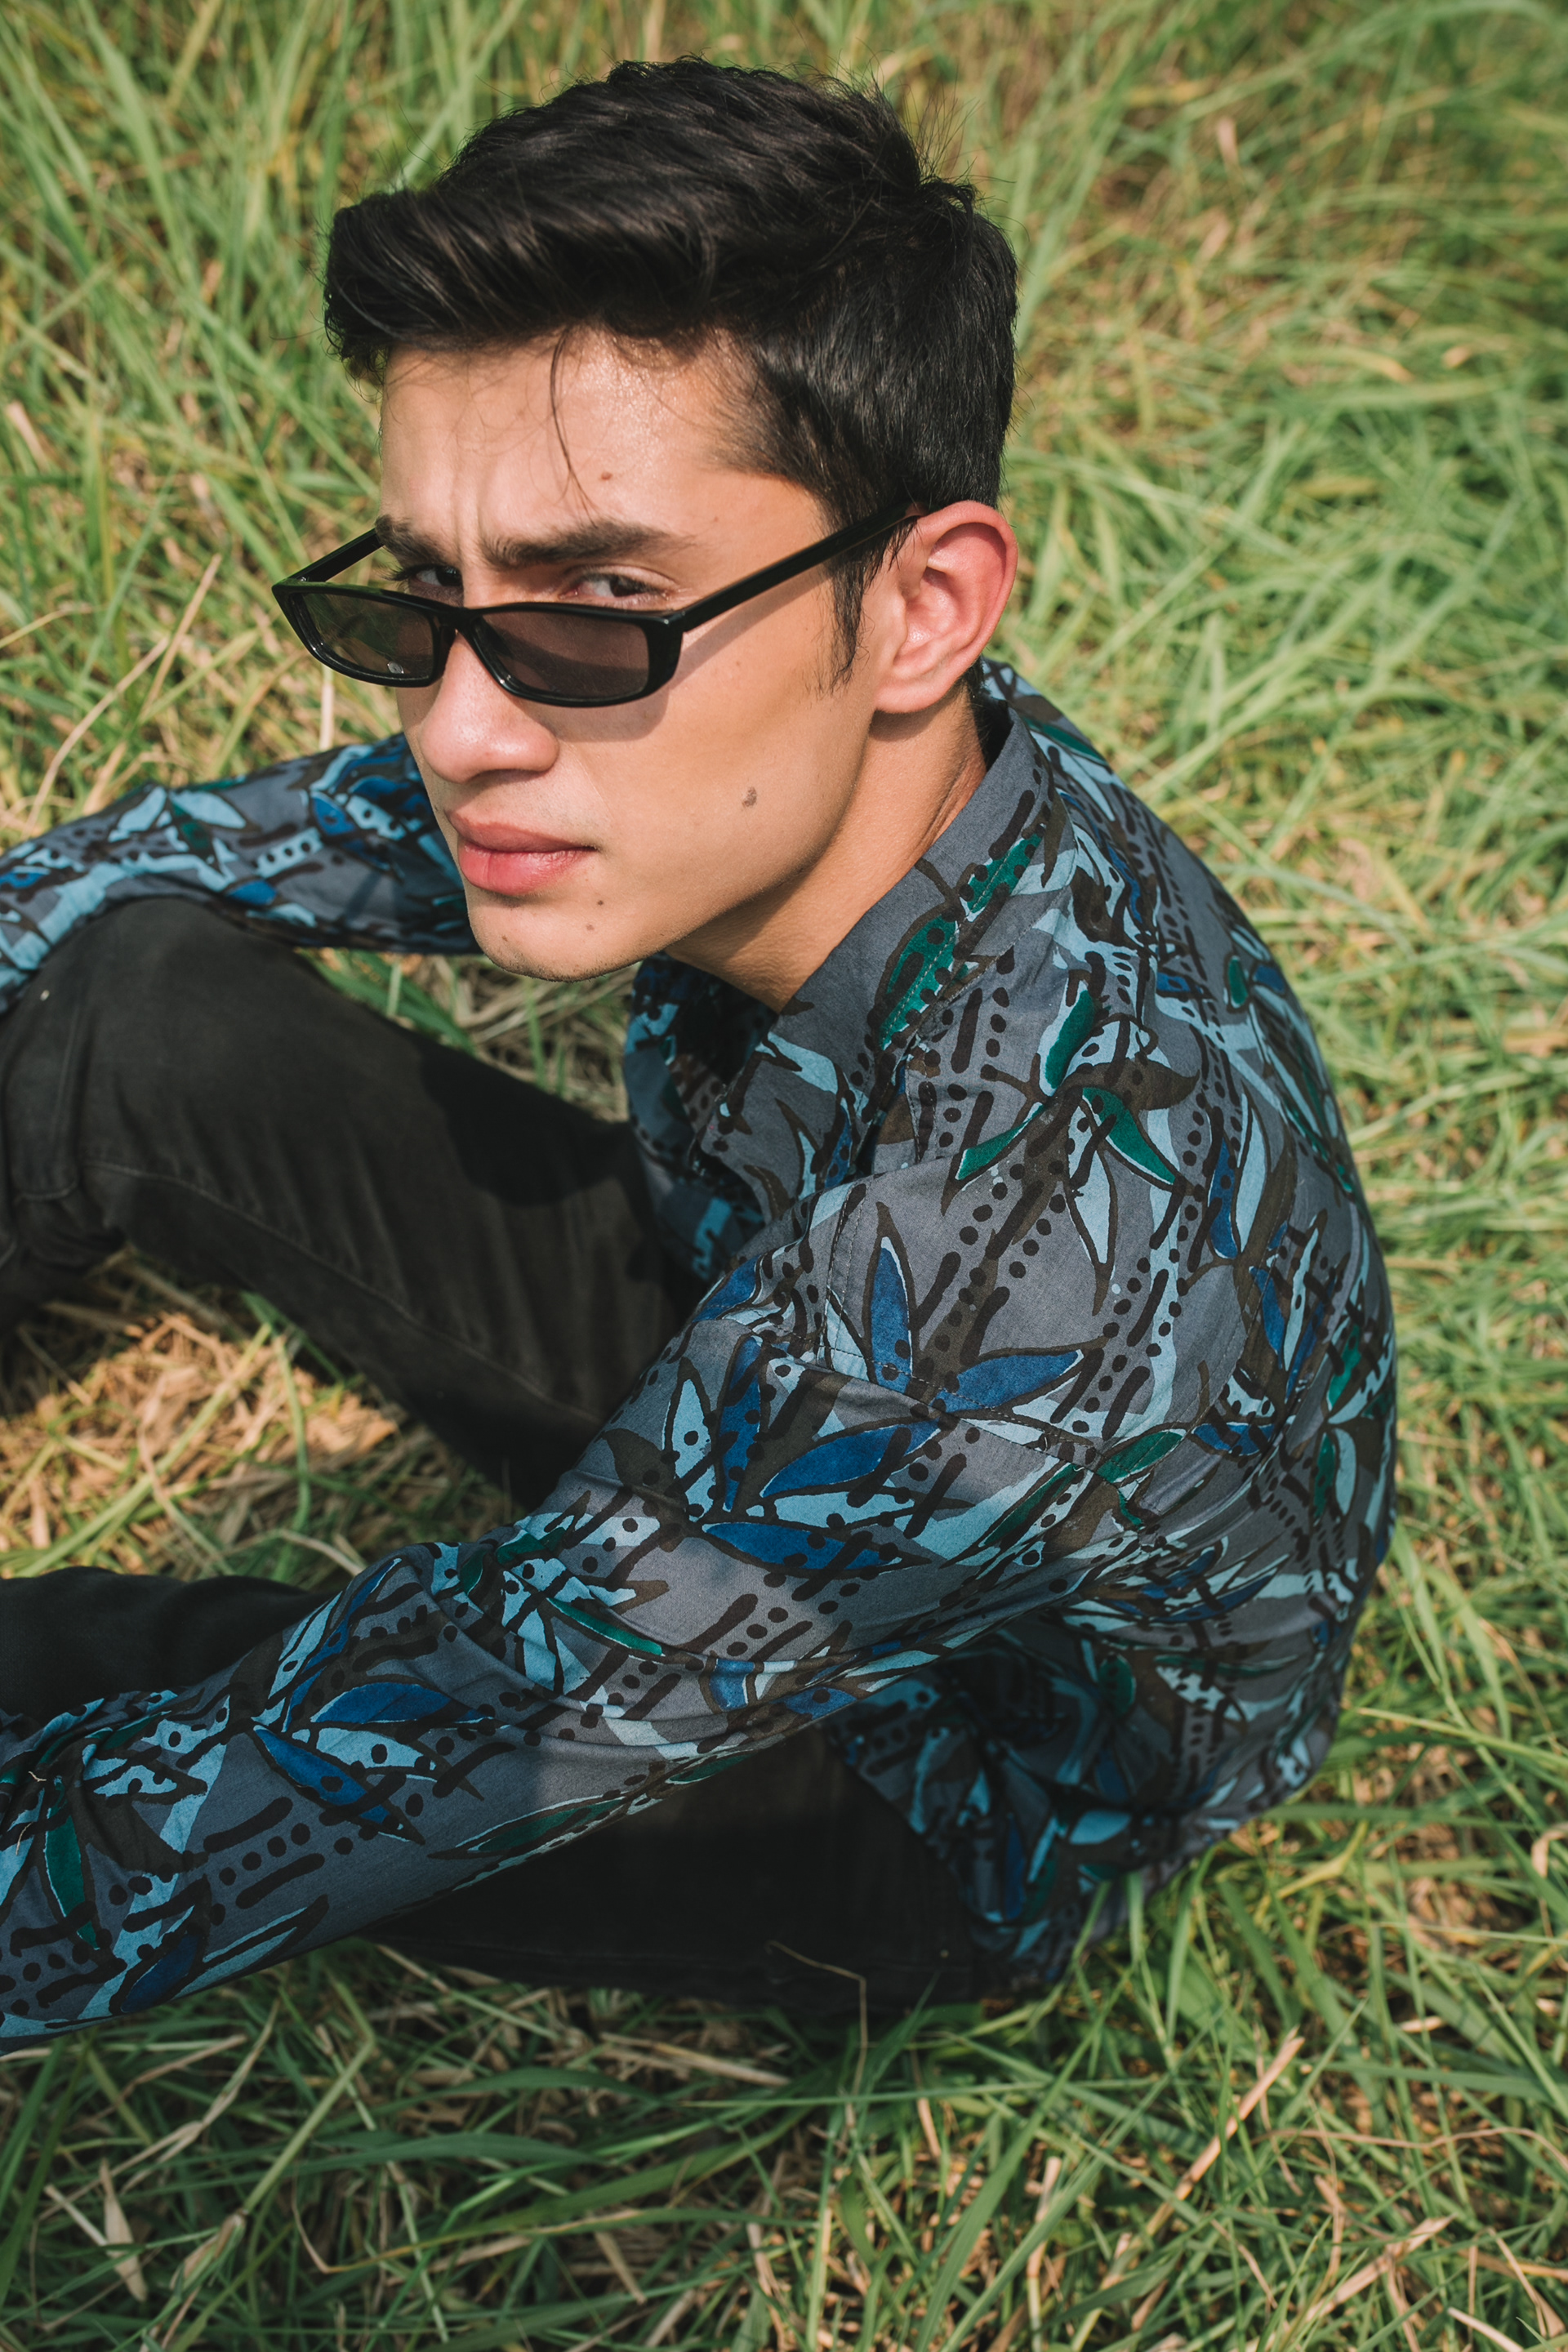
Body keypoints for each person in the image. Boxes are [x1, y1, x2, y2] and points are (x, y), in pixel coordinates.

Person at [0, 60, 1394, 2040]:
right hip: (752, 1298)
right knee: (136, 992)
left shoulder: (990, 1296)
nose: (461, 725)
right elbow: (252, 846)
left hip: (938, 1770)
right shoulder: (871, 758)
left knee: (126, 1682)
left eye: (596, 607)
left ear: (922, 605)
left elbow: (404, 1740)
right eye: (427, 594)